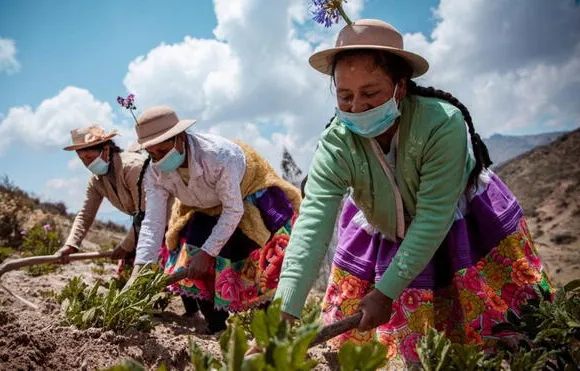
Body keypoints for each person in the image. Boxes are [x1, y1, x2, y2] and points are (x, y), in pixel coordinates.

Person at [274, 19, 552, 364]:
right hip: (388, 229)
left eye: (371, 93)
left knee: (504, 332)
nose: (357, 107)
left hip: (461, 225)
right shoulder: (337, 144)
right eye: (345, 96)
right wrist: (284, 312)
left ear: (400, 88)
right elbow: (313, 224)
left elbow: (434, 215)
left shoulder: (441, 123)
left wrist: (385, 291)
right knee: (407, 349)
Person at [130, 105, 301, 335]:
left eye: (162, 151)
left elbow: (232, 210)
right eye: (152, 154)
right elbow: (153, 221)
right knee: (192, 258)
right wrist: (139, 271)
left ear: (180, 139)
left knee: (254, 260)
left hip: (246, 194)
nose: (158, 160)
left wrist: (208, 252)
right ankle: (215, 325)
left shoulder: (218, 156)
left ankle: (269, 328)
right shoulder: (154, 172)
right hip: (201, 205)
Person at [56, 125, 170, 283]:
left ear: (107, 150)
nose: (87, 165)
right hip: (142, 228)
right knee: (126, 281)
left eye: (89, 158)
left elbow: (147, 212)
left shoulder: (133, 167)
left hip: (167, 222)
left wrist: (126, 245)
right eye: (82, 160)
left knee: (168, 279)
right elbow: (85, 215)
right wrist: (72, 244)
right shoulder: (97, 181)